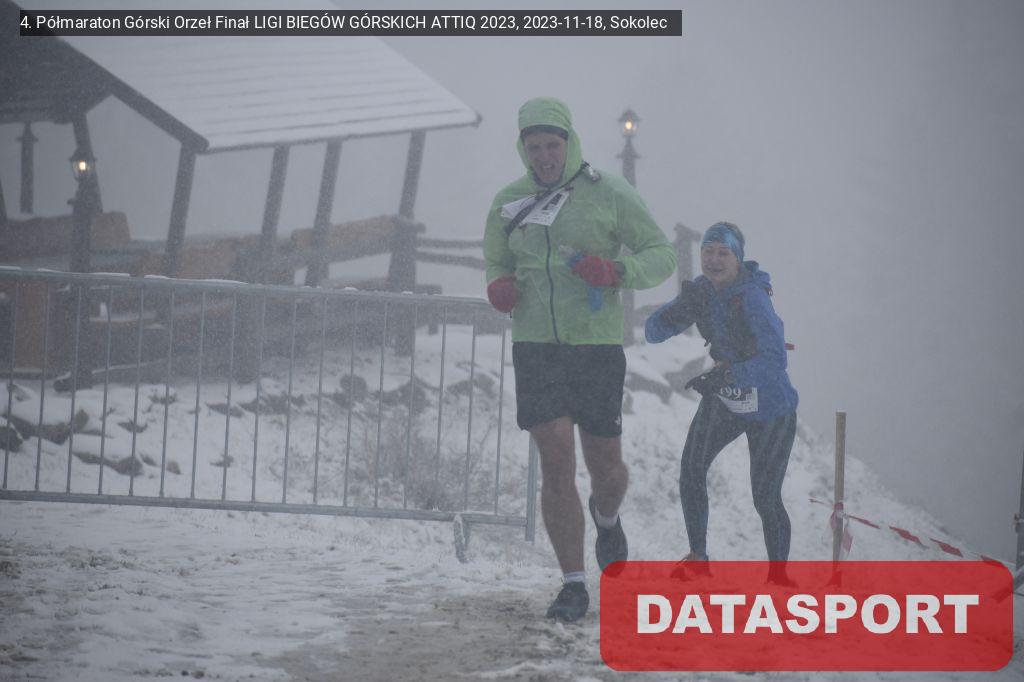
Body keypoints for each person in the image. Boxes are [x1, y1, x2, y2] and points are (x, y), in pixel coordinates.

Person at [483, 97, 676, 622]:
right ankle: (573, 584)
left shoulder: (607, 192)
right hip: (536, 346)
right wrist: (499, 284)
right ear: (522, 148)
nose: (545, 156)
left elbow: (661, 253)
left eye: (552, 145)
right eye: (534, 147)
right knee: (555, 460)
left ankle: (606, 518)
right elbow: (497, 258)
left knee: (606, 469)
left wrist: (616, 271)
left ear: (569, 142)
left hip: (595, 346)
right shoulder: (509, 201)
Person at [645, 222, 798, 584]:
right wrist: (677, 312)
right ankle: (698, 559)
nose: (714, 260)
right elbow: (653, 332)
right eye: (708, 252)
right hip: (728, 399)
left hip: (771, 406)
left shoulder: (753, 297)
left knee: (765, 496)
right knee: (691, 468)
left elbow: (775, 359)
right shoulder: (702, 291)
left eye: (723, 253)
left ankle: (779, 577)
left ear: (738, 258)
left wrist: (730, 374)